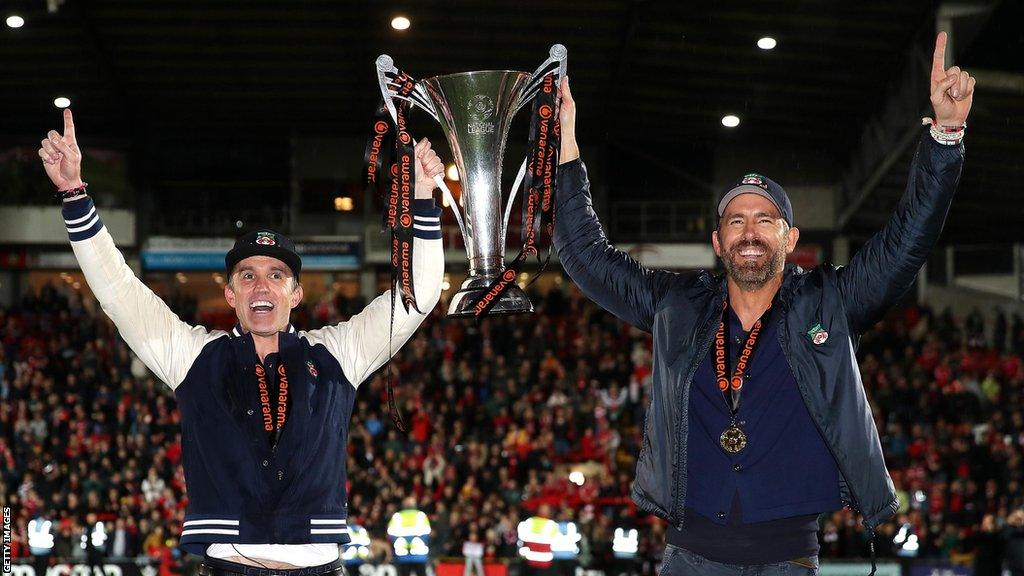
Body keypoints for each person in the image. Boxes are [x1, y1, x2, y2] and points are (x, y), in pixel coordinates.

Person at [552, 32, 973, 575]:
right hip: (688, 559)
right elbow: (585, 254)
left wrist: (945, 135)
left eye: (764, 219)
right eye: (736, 220)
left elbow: (906, 241)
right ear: (718, 241)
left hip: (787, 560)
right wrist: (564, 144)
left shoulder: (830, 302)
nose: (749, 232)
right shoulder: (675, 306)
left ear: (789, 238)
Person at [38, 109, 446, 573]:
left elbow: (420, 294)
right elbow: (118, 292)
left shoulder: (338, 353)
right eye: (247, 275)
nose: (261, 287)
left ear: (295, 293)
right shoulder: (193, 356)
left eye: (276, 275)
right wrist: (74, 194)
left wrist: (422, 198)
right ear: (230, 294)